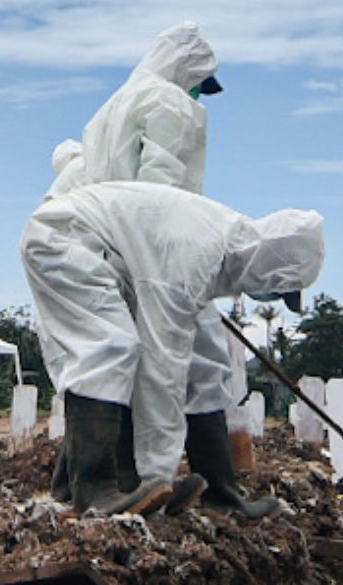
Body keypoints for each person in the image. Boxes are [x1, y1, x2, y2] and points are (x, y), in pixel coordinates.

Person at [49, 25, 271, 516]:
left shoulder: (111, 108)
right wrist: (173, 269)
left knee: (125, 365)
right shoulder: (168, 102)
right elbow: (162, 195)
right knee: (199, 361)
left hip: (113, 247)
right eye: (197, 83)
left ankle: (122, 484)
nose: (197, 95)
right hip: (159, 251)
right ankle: (208, 490)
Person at [20, 182, 324, 515]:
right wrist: (157, 483)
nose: (269, 295)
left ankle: (218, 495)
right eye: (278, 287)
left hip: (104, 250)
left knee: (203, 363)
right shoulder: (196, 254)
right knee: (110, 348)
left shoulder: (221, 247)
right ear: (270, 267)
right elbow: (161, 367)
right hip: (67, 240)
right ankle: (93, 490)